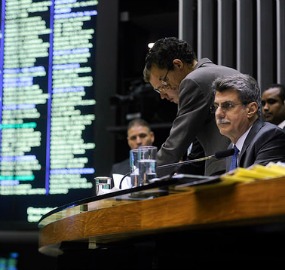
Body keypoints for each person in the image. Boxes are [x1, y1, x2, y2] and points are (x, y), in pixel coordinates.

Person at [143, 37, 240, 176]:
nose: (163, 95)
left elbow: (175, 145)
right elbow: (198, 152)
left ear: (178, 65)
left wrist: (146, 175)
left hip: (227, 170)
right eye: (158, 90)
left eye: (164, 83)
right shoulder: (223, 71)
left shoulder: (194, 81)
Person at [212, 73, 285, 172]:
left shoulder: (270, 137)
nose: (218, 113)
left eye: (228, 105)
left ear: (251, 110)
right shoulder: (232, 148)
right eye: (216, 106)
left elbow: (256, 184)